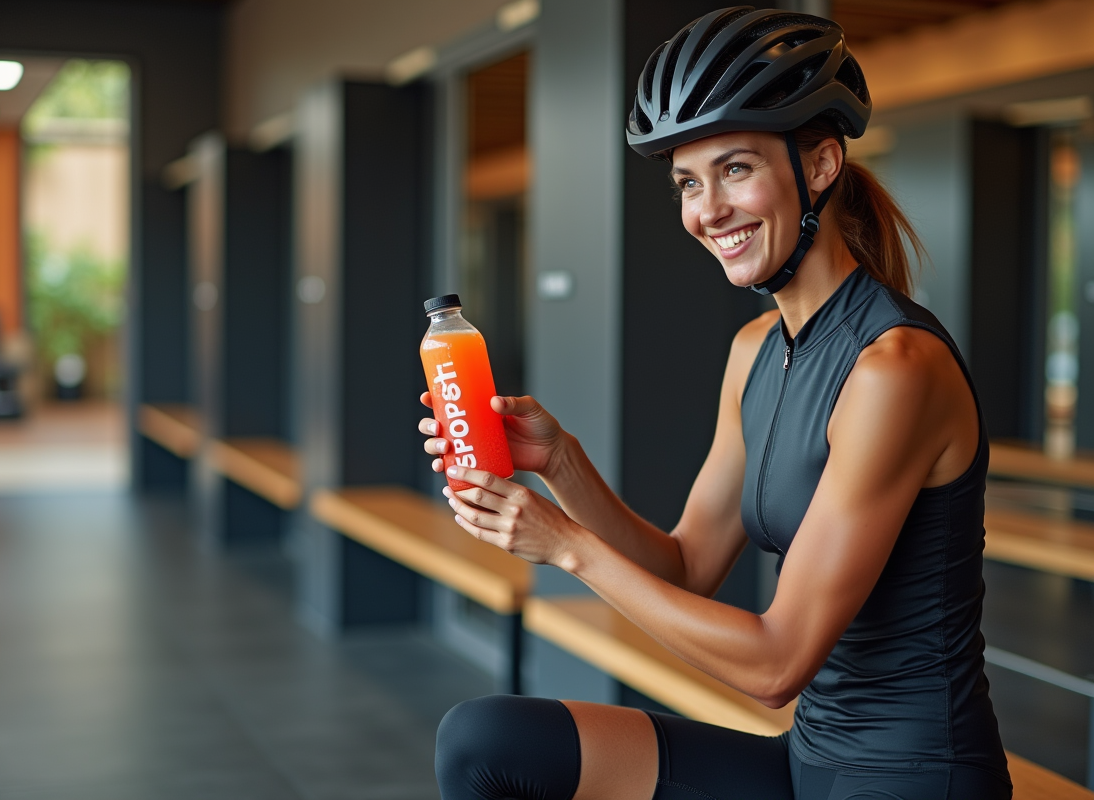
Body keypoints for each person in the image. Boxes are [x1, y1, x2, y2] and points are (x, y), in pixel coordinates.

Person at [424, 7, 1012, 800]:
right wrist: (559, 462)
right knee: (484, 740)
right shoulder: (754, 353)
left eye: (735, 169)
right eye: (688, 183)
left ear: (823, 163)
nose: (707, 211)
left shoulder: (895, 369)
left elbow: (776, 664)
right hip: (808, 757)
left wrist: (566, 548)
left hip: (913, 776)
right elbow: (688, 566)